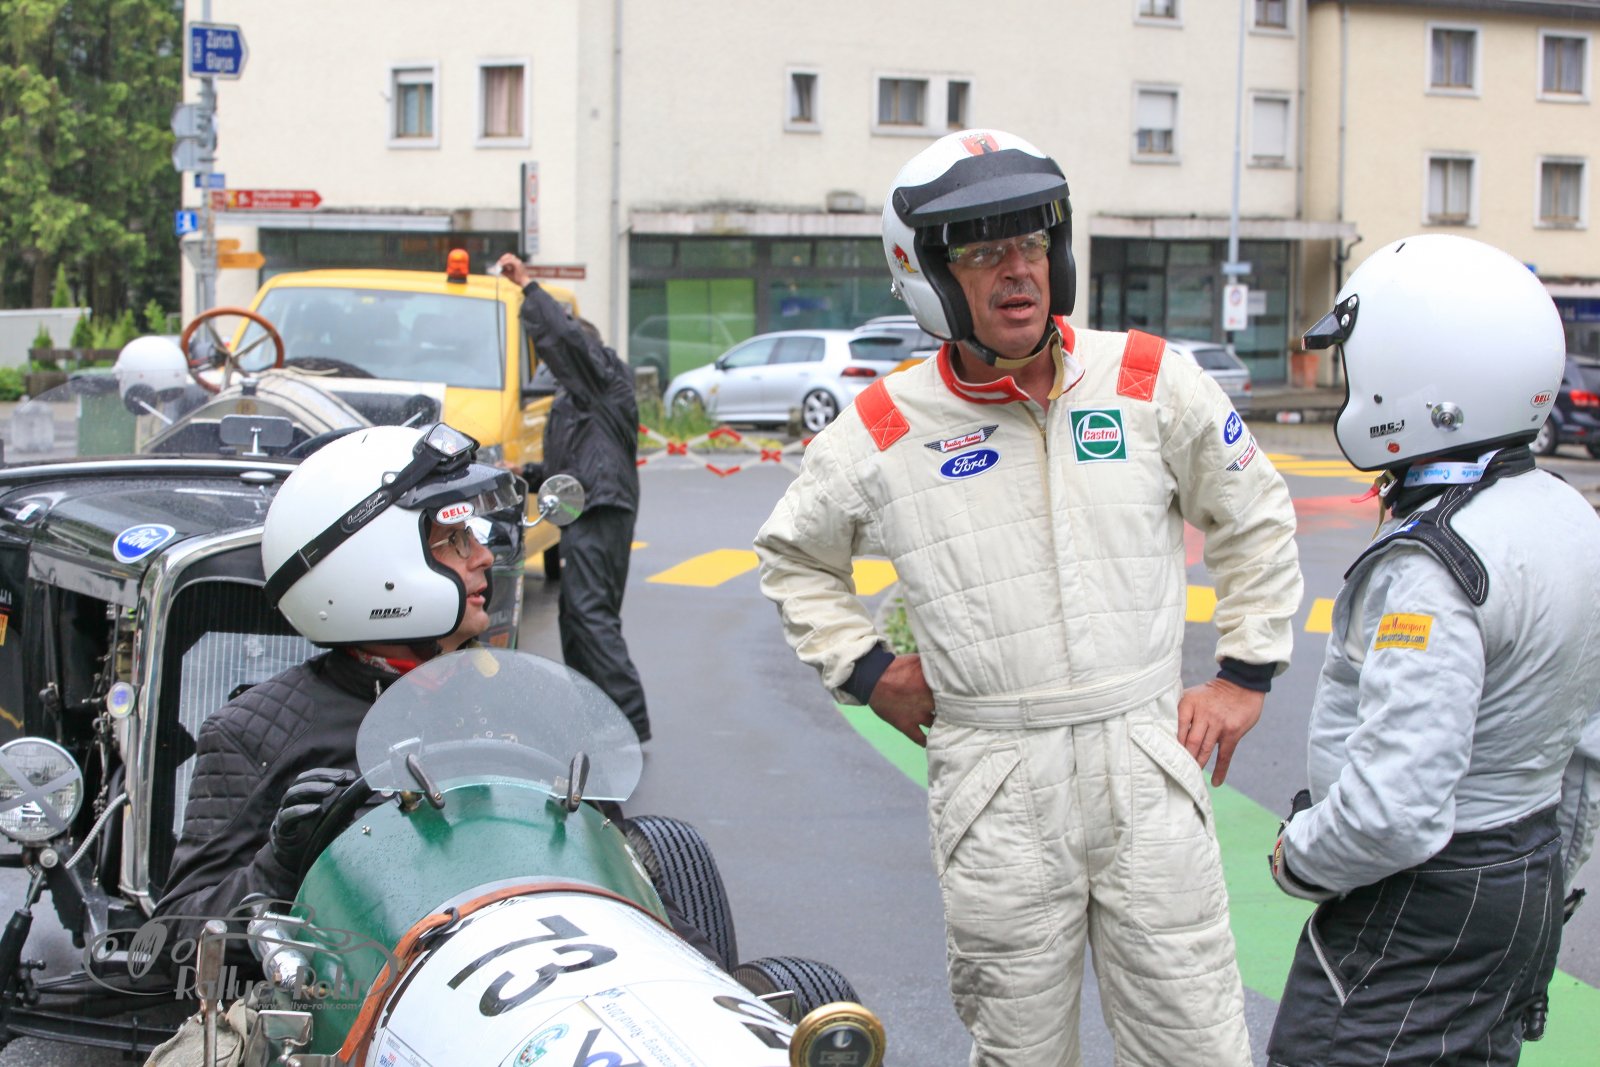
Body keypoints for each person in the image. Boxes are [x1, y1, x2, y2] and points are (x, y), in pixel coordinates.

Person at [753, 129, 1303, 1066]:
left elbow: (1254, 514)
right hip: (998, 784)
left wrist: (1244, 675)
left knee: (1196, 1045)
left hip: (1145, 763)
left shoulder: (1146, 379)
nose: (1018, 270)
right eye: (982, 252)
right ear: (929, 275)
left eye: (1033, 242)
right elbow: (794, 558)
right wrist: (869, 671)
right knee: (1020, 1051)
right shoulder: (884, 427)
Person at [1266, 234, 1600, 1065]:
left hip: (1421, 902)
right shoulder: (1565, 513)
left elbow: (1393, 810)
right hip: (1527, 871)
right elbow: (1587, 747)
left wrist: (1297, 856)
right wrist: (1545, 869)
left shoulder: (1434, 566)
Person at [155, 422, 516, 955]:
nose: (482, 556)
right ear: (377, 564)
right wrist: (278, 866)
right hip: (353, 992)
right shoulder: (255, 732)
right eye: (454, 540)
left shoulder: (514, 699)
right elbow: (175, 939)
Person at [495, 252, 650, 743]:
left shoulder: (605, 379)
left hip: (601, 509)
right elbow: (575, 464)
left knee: (591, 615)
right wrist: (526, 473)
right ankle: (596, 715)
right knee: (577, 617)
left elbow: (565, 339)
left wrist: (528, 287)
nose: (553, 365)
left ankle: (626, 722)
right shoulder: (579, 398)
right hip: (587, 506)